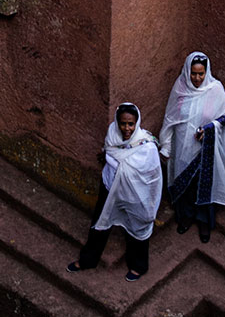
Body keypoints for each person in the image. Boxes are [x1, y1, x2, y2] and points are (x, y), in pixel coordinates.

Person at [70, 101, 163, 279]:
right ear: (117, 122)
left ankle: (139, 266)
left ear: (137, 123)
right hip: (109, 187)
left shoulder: (147, 146)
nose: (126, 128)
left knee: (136, 227)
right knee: (100, 223)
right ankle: (88, 260)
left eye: (131, 124)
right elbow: (110, 153)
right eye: (123, 123)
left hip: (134, 194)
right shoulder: (112, 135)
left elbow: (152, 175)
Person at [159, 51, 225, 243]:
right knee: (185, 182)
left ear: (206, 72)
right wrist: (166, 146)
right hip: (183, 145)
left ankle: (203, 222)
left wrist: (209, 129)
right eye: (194, 73)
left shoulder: (215, 89)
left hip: (204, 148)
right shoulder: (180, 87)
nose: (197, 78)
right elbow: (170, 118)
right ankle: (185, 217)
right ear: (187, 71)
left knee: (204, 184)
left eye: (201, 74)